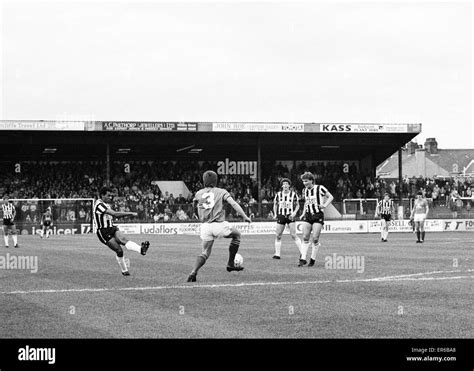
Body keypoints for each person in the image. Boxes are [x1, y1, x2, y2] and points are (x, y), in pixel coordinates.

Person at [187, 170, 251, 282]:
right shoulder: (221, 192)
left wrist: (198, 215)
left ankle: (193, 272)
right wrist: (244, 216)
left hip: (205, 226)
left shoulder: (198, 193)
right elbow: (233, 203)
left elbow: (194, 205)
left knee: (205, 252)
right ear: (215, 181)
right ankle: (230, 263)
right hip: (219, 225)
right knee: (237, 235)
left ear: (204, 181)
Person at [94, 187, 150, 276]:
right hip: (103, 232)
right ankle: (124, 271)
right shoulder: (99, 205)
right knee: (119, 250)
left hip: (112, 228)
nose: (110, 197)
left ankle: (141, 250)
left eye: (110, 195)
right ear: (102, 195)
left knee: (123, 239)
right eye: (108, 195)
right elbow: (114, 214)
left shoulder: (106, 204)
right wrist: (130, 213)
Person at [298, 172, 334, 267]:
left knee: (315, 238)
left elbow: (331, 197)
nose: (304, 183)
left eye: (306, 181)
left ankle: (312, 259)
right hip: (308, 215)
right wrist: (302, 213)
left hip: (318, 215)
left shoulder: (320, 188)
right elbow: (307, 202)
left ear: (311, 180)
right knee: (305, 237)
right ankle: (303, 259)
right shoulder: (304, 191)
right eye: (303, 181)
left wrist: (324, 205)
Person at [272, 178, 302, 259]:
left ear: (289, 185)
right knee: (278, 235)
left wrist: (294, 212)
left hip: (290, 216)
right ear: (282, 186)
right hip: (281, 216)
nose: (285, 185)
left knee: (293, 235)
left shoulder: (293, 194)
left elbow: (298, 205)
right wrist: (275, 213)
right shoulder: (278, 195)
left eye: (286, 184)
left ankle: (302, 253)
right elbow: (275, 204)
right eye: (283, 184)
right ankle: (277, 254)